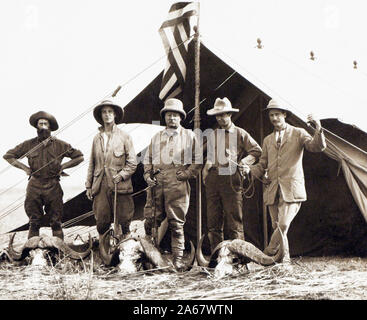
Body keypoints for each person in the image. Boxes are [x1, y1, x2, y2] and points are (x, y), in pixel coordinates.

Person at [246, 99, 326, 262]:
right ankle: (284, 262)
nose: (274, 118)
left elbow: (316, 146)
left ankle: (266, 255)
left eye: (277, 114)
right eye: (271, 115)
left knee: (282, 225)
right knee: (278, 228)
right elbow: (262, 164)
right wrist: (250, 170)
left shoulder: (298, 133)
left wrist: (318, 128)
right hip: (272, 189)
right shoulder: (268, 139)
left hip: (291, 189)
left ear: (285, 115)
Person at [3, 111, 84, 240]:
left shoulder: (61, 145)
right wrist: (25, 168)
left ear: (50, 127)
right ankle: (33, 253)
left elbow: (79, 157)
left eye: (45, 124)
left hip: (53, 186)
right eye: (40, 124)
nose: (43, 126)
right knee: (34, 222)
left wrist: (63, 167)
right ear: (36, 127)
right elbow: (8, 156)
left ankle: (58, 253)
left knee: (56, 222)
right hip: (34, 185)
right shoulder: (28, 144)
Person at [143, 98, 201, 271]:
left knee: (176, 224)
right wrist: (147, 175)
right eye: (169, 115)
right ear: (165, 117)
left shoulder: (189, 136)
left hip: (177, 183)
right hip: (157, 183)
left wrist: (187, 174)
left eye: (175, 115)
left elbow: (198, 160)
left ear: (180, 117)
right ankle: (151, 258)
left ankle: (178, 260)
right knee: (151, 222)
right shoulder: (156, 137)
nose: (172, 118)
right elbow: (147, 160)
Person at [202, 97, 262, 253]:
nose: (220, 118)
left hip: (231, 177)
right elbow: (210, 155)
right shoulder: (213, 134)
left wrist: (244, 162)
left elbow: (257, 151)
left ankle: (238, 257)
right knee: (213, 221)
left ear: (230, 114)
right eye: (218, 115)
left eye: (223, 115)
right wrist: (206, 169)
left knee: (234, 219)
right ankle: (218, 257)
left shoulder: (240, 133)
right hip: (213, 178)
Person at [85, 100, 137, 240]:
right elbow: (92, 163)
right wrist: (89, 185)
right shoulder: (97, 138)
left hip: (120, 185)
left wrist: (121, 176)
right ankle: (105, 254)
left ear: (115, 115)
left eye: (110, 112)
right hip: (100, 186)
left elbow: (132, 163)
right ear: (101, 116)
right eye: (104, 112)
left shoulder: (125, 137)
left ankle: (125, 251)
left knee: (124, 221)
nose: (107, 115)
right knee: (102, 222)